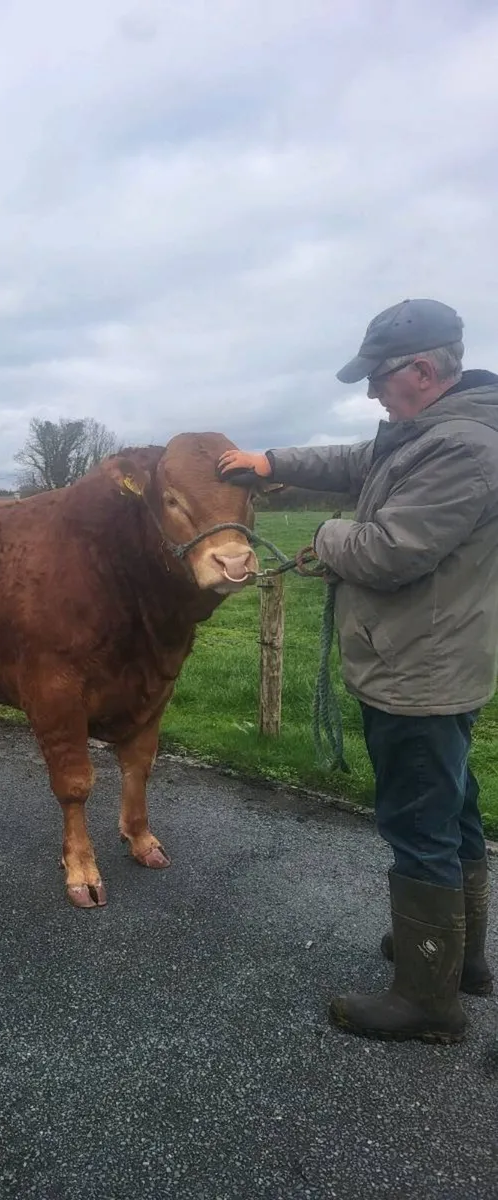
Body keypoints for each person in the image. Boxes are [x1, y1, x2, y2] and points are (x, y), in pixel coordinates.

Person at [217, 298, 498, 1045]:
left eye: (378, 377)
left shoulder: (463, 448)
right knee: (452, 808)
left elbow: (390, 550)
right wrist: (270, 464)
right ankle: (456, 958)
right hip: (432, 660)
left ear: (424, 370)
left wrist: (325, 535)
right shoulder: (424, 432)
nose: (371, 392)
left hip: (419, 671)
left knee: (417, 823)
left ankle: (427, 1002)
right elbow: (353, 462)